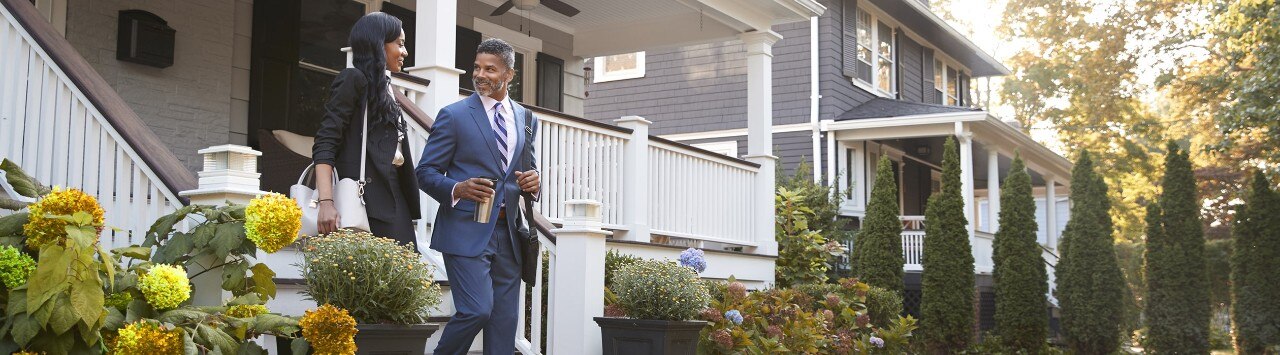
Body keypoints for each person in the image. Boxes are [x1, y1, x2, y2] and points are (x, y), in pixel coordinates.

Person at [416, 38, 541, 355]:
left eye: (490, 69)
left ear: (509, 74)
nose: (480, 74)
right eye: (477, 67)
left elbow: (528, 171)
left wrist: (535, 182)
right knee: (476, 310)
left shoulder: (527, 119)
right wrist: (458, 188)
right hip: (465, 230)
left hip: (509, 236)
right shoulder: (454, 115)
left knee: (504, 323)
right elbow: (425, 172)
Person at [311, 12, 420, 246]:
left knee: (404, 272)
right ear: (379, 44)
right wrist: (326, 201)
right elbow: (326, 141)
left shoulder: (386, 88)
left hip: (393, 191)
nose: (405, 52)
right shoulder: (353, 79)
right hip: (364, 196)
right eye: (400, 44)